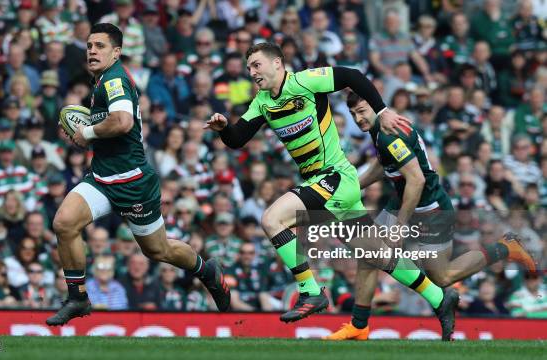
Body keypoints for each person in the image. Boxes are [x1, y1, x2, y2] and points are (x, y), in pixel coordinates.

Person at [205, 43, 457, 340]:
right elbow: (237, 139)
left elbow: (352, 75)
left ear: (277, 63)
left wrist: (382, 110)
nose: (252, 72)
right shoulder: (262, 103)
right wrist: (223, 128)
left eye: (256, 65)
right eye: (249, 68)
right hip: (329, 185)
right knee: (376, 254)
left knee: (272, 219)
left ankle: (310, 291)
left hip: (334, 178)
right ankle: (440, 299)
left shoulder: (305, 82)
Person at [46, 23, 229, 326]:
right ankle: (78, 298)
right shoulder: (102, 79)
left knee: (159, 250)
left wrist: (87, 132)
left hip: (133, 183)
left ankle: (207, 271)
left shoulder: (114, 80)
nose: (92, 50)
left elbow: (122, 122)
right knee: (64, 223)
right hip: (103, 177)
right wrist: (89, 134)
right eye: (90, 45)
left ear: (116, 52)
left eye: (100, 46)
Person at [324, 92, 537, 340]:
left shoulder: (388, 134)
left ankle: (505, 248)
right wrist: (354, 187)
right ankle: (359, 325)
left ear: (375, 107)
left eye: (361, 111)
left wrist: (399, 227)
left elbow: (416, 179)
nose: (358, 118)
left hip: (430, 208)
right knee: (369, 253)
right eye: (353, 114)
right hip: (405, 200)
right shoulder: (381, 128)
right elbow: (384, 164)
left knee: (443, 276)